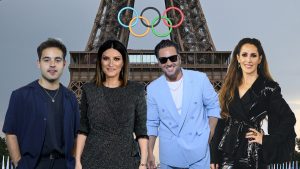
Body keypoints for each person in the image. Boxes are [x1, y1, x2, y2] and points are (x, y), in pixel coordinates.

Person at [210, 38, 296, 169]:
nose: (248, 60)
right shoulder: (229, 87)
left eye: (253, 55)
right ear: (238, 58)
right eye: (244, 55)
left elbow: (289, 118)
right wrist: (214, 154)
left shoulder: (268, 88)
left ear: (260, 59)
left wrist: (267, 140)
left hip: (253, 154)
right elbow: (222, 121)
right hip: (227, 153)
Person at [2, 38, 80, 169]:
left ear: (64, 64)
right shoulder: (20, 96)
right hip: (33, 165)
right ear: (38, 63)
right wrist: (19, 163)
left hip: (63, 164)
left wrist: (72, 163)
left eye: (57, 60)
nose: (52, 64)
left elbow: (77, 134)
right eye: (47, 59)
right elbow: (10, 132)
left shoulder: (71, 97)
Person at [147, 39, 220, 169]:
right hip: (170, 155)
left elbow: (214, 106)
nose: (169, 63)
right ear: (159, 63)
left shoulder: (200, 79)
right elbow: (152, 122)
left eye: (172, 58)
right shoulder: (153, 88)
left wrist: (209, 134)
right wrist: (149, 153)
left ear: (179, 58)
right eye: (163, 60)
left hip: (199, 153)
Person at [75, 39, 148, 169]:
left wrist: (143, 164)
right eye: (106, 58)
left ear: (123, 62)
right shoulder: (89, 89)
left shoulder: (136, 90)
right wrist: (77, 162)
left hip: (127, 162)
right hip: (92, 161)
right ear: (100, 61)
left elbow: (141, 130)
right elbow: (83, 129)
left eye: (116, 59)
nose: (111, 64)